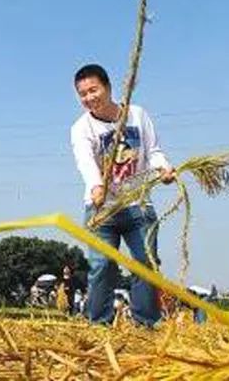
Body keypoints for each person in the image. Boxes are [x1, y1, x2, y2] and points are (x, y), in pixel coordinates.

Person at [70, 63, 176, 327]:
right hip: (102, 209)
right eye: (82, 94)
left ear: (107, 87)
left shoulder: (137, 115)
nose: (89, 98)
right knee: (102, 266)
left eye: (93, 90)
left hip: (138, 205)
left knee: (145, 264)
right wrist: (96, 186)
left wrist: (163, 168)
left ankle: (146, 324)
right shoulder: (81, 128)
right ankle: (98, 324)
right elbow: (85, 161)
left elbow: (153, 151)